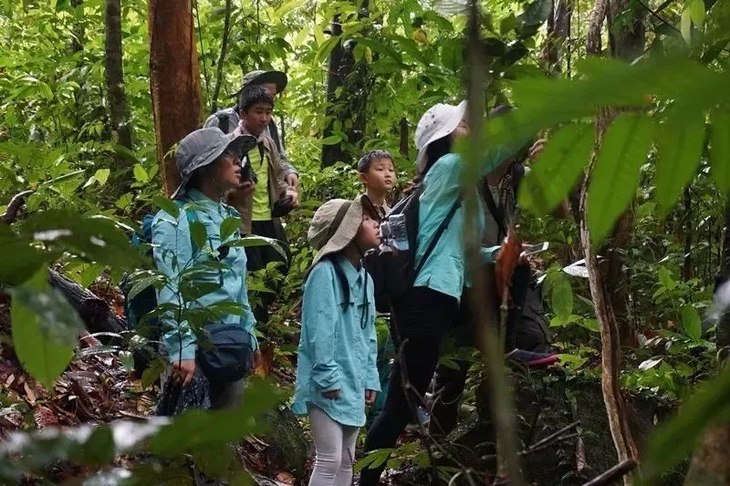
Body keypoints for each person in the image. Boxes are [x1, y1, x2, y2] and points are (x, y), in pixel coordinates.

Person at [360, 100, 513, 485]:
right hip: (426, 297)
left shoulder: (457, 185)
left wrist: (501, 253)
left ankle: (368, 472)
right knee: (402, 401)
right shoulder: (448, 169)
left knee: (407, 397)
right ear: (443, 139)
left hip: (443, 295)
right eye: (463, 126)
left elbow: (462, 252)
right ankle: (363, 477)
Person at [152, 127, 260, 411]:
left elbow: (238, 284)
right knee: (184, 442)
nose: (239, 162)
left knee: (222, 439)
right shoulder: (175, 219)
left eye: (238, 155)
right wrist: (182, 350)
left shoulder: (228, 217)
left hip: (229, 343)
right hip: (193, 351)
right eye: (229, 155)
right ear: (205, 166)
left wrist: (250, 336)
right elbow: (170, 285)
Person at [292, 195, 381, 486]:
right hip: (328, 382)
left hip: (353, 380)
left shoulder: (365, 278)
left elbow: (368, 334)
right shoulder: (324, 274)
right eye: (367, 219)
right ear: (349, 229)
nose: (376, 224)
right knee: (329, 459)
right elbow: (320, 331)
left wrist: (370, 377)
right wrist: (328, 377)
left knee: (346, 461)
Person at [224, 85, 298, 324]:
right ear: (243, 113)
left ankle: (260, 322)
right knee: (253, 278)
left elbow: (277, 176)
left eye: (268, 112)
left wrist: (289, 192)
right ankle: (256, 328)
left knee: (280, 266)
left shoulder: (267, 143)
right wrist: (233, 192)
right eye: (258, 111)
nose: (264, 118)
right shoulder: (229, 145)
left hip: (269, 219)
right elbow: (216, 188)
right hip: (243, 223)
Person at [204, 69, 299, 189]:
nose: (268, 99)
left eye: (272, 96)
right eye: (264, 92)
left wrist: (289, 172)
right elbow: (205, 164)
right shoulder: (221, 121)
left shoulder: (269, 123)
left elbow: (279, 158)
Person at [357, 149, 396, 220]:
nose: (388, 174)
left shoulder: (392, 214)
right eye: (380, 169)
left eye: (391, 170)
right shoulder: (353, 211)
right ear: (364, 177)